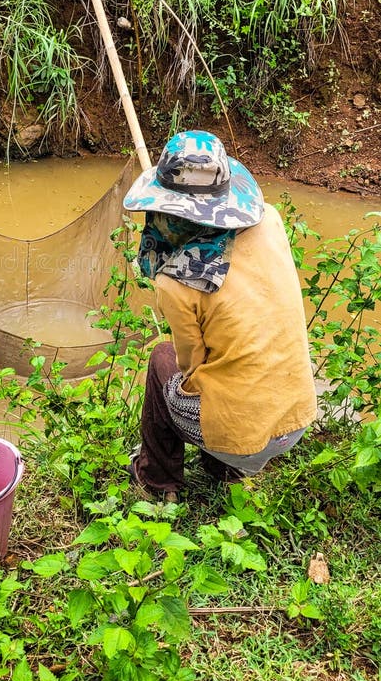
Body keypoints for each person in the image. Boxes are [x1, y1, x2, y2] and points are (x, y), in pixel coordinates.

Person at [123, 130, 317, 500]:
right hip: (295, 418)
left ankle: (158, 481)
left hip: (244, 437)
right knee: (236, 360)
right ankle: (223, 469)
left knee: (163, 359)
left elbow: (191, 369)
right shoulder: (270, 221)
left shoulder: (175, 282)